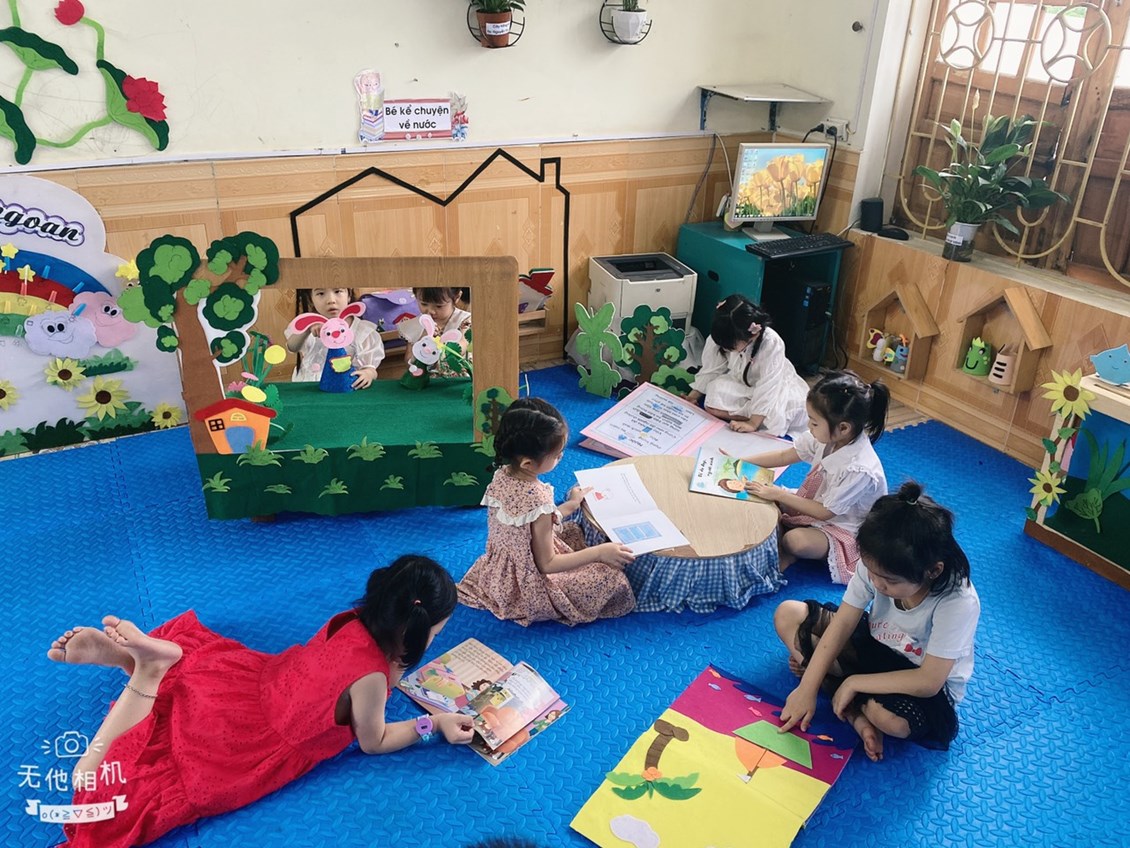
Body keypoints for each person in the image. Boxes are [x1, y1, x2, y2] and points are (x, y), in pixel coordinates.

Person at [48, 555, 474, 848]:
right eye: (435, 634)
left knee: (184, 686)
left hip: (256, 684)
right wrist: (432, 725)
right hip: (252, 742)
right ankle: (146, 671)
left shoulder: (350, 620)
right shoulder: (373, 680)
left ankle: (135, 659)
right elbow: (374, 741)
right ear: (414, 631)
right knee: (110, 792)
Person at [773, 481, 980, 762]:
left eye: (890, 581)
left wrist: (853, 682)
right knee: (788, 614)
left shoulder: (958, 601)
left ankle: (849, 700)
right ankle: (852, 711)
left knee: (890, 721)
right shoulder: (878, 563)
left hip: (917, 680)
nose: (877, 584)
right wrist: (807, 688)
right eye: (872, 573)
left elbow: (929, 681)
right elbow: (843, 623)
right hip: (875, 646)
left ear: (932, 571)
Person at [458, 397, 636, 626]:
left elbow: (525, 523)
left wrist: (570, 505)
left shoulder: (501, 474)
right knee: (611, 579)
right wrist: (599, 552)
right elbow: (547, 564)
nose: (562, 457)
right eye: (557, 454)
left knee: (572, 532)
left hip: (500, 571)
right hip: (528, 583)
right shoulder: (538, 499)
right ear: (527, 464)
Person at [735, 370, 889, 584]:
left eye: (814, 423)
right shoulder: (828, 437)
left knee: (794, 541)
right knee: (761, 496)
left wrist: (779, 494)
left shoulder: (859, 469)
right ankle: (785, 536)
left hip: (844, 527)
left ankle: (791, 554)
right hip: (815, 504)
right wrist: (740, 461)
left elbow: (826, 512)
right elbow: (784, 455)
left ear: (843, 428)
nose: (809, 426)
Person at [685, 294, 809, 438]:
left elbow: (768, 386)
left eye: (731, 347)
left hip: (775, 389)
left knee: (780, 414)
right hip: (744, 386)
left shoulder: (771, 343)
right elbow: (711, 369)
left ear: (753, 335)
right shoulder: (722, 333)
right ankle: (756, 413)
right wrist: (692, 397)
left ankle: (758, 417)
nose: (726, 350)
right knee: (713, 393)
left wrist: (753, 423)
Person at [285, 287, 385, 388]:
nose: (331, 300)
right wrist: (307, 328)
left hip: (344, 389)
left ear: (349, 295)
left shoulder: (363, 331)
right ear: (311, 299)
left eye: (338, 291)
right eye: (321, 293)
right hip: (308, 387)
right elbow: (292, 347)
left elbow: (370, 368)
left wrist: (368, 374)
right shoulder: (310, 327)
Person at [414, 286, 472, 378]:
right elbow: (409, 359)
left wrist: (437, 346)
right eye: (424, 304)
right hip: (429, 381)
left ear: (457, 297)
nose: (431, 311)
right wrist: (425, 338)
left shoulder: (466, 320)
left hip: (459, 380)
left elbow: (461, 347)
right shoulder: (417, 323)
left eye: (439, 306)